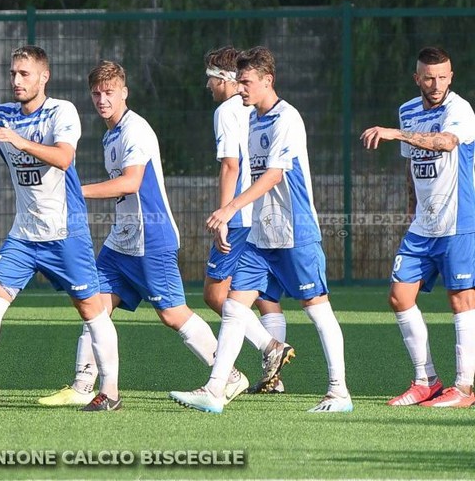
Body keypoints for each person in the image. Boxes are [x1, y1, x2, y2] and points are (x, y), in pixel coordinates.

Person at [37, 60, 249, 407]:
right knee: (94, 307)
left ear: (124, 93)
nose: (102, 100)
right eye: (96, 93)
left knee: (172, 313)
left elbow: (131, 182)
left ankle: (230, 375)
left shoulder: (135, 129)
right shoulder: (112, 134)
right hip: (121, 241)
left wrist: (77, 191)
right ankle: (82, 385)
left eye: (109, 92)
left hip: (151, 238)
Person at [0, 45, 121, 412]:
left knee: (91, 310)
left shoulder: (61, 112)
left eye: (24, 74)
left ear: (43, 77)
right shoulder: (3, 114)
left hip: (65, 232)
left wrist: (21, 141)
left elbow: (64, 158)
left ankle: (110, 392)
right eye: (13, 73)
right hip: (24, 234)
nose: (16, 80)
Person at [169, 46, 352, 414]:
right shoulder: (251, 120)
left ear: (268, 80)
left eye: (246, 81)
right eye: (237, 81)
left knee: (316, 308)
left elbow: (274, 174)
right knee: (235, 307)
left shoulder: (288, 118)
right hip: (259, 234)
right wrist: (234, 216)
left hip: (294, 231)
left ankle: (339, 392)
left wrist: (229, 208)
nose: (240, 88)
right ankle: (216, 390)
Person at [360, 46, 475, 408]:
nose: (436, 83)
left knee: (461, 300)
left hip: (458, 221)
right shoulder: (408, 110)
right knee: (399, 295)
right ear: (417, 78)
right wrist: (412, 208)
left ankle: (464, 388)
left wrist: (395, 134)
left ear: (451, 77)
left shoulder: (459, 110)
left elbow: (445, 142)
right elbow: (412, 166)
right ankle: (426, 380)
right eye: (429, 77)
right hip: (423, 226)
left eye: (443, 76)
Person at [202, 46, 287, 394]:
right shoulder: (258, 108)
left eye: (210, 78)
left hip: (239, 217)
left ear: (224, 80)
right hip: (266, 214)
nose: (208, 86)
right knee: (263, 294)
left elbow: (231, 165)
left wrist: (224, 215)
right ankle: (274, 378)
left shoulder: (227, 110)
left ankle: (270, 347)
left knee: (214, 294)